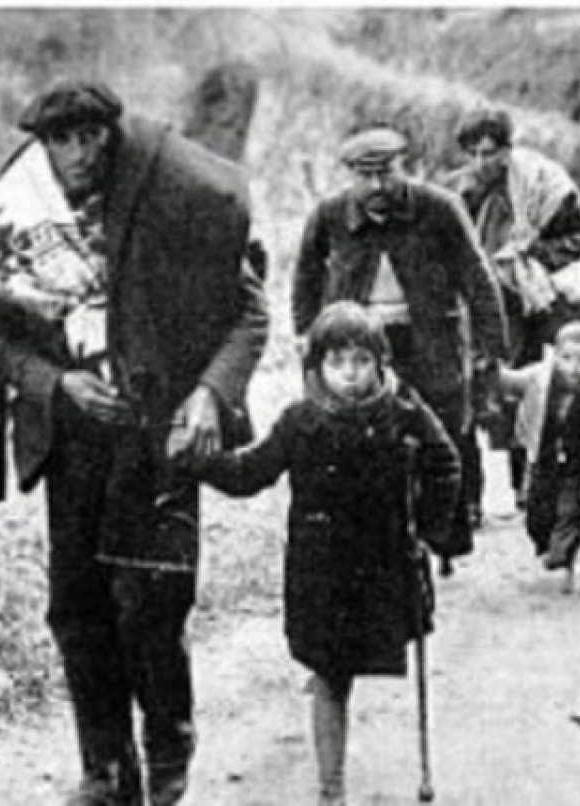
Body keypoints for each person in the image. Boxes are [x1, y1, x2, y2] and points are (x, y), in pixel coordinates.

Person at [0, 80, 267, 806]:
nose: (78, 153)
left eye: (90, 135)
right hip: (72, 439)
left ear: (112, 134)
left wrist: (209, 393)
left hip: (160, 433)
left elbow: (249, 314)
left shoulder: (168, 204)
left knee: (153, 600)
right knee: (77, 607)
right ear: (43, 145)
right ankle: (106, 769)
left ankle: (168, 744)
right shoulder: (19, 219)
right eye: (61, 139)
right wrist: (56, 384)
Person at [197, 302, 461, 806]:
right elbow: (251, 472)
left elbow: (444, 462)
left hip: (383, 565)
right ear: (316, 367)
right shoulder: (301, 421)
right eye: (337, 362)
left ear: (380, 363)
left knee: (359, 660)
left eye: (362, 361)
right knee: (329, 673)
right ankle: (330, 789)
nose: (350, 374)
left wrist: (429, 528)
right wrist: (201, 463)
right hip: (322, 572)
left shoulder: (403, 413)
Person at [293, 123, 507, 576]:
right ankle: (375, 545)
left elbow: (476, 277)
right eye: (364, 175)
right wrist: (307, 338)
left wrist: (491, 346)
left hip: (429, 340)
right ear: (350, 175)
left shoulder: (440, 208)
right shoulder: (329, 215)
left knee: (441, 434)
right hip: (361, 345)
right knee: (361, 439)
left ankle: (441, 536)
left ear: (403, 166)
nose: (376, 185)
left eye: (386, 172)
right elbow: (306, 279)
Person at [446, 107, 580, 513]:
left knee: (520, 390)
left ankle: (525, 487)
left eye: (490, 152)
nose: (482, 162)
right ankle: (468, 500)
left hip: (525, 303)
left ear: (507, 149)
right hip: (471, 305)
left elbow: (577, 241)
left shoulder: (545, 185)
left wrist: (530, 255)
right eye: (473, 154)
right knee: (467, 394)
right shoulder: (455, 193)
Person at [498, 322, 580, 594]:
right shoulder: (540, 377)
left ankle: (565, 559)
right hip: (544, 456)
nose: (574, 368)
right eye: (567, 359)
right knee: (537, 508)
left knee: (571, 511)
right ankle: (544, 542)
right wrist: (492, 369)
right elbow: (510, 381)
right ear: (555, 356)